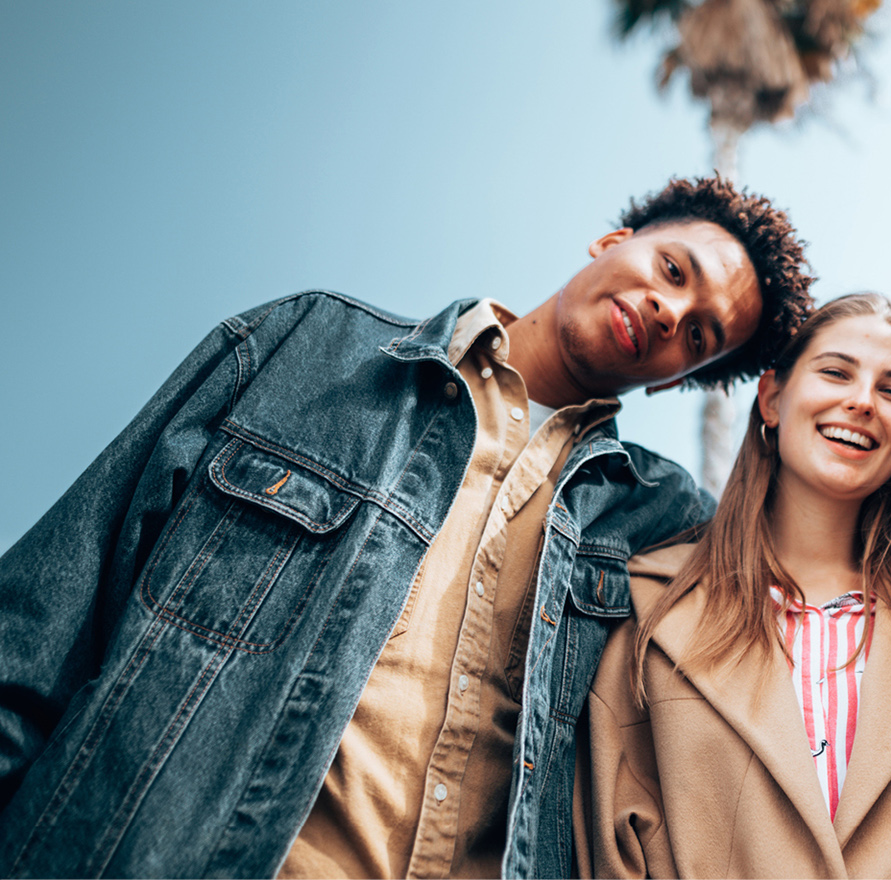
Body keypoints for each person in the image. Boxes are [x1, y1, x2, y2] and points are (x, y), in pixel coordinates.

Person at [0, 176, 816, 879]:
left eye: (700, 335)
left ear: (686, 377)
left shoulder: (656, 523)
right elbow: (35, 634)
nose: (669, 311)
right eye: (673, 271)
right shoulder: (307, 350)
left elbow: (832, 581)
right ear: (613, 240)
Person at [574, 293, 891, 878]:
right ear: (771, 398)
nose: (861, 401)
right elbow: (609, 840)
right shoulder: (649, 607)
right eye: (835, 372)